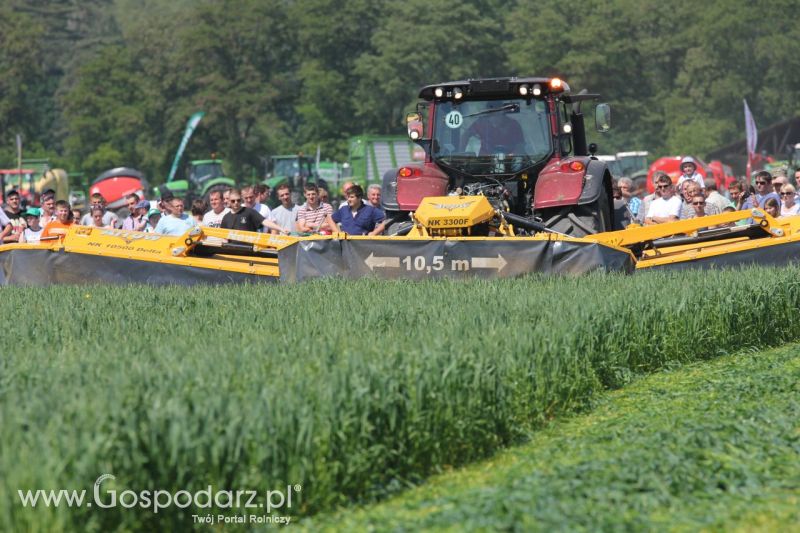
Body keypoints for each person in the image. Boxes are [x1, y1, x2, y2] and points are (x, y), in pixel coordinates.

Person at [220, 189, 286, 233]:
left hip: (249, 251)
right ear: (229, 201)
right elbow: (223, 237)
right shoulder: (226, 217)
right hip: (232, 252)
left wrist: (281, 229)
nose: (236, 203)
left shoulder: (249, 212)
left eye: (238, 200)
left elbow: (265, 222)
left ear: (241, 200)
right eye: (233, 201)